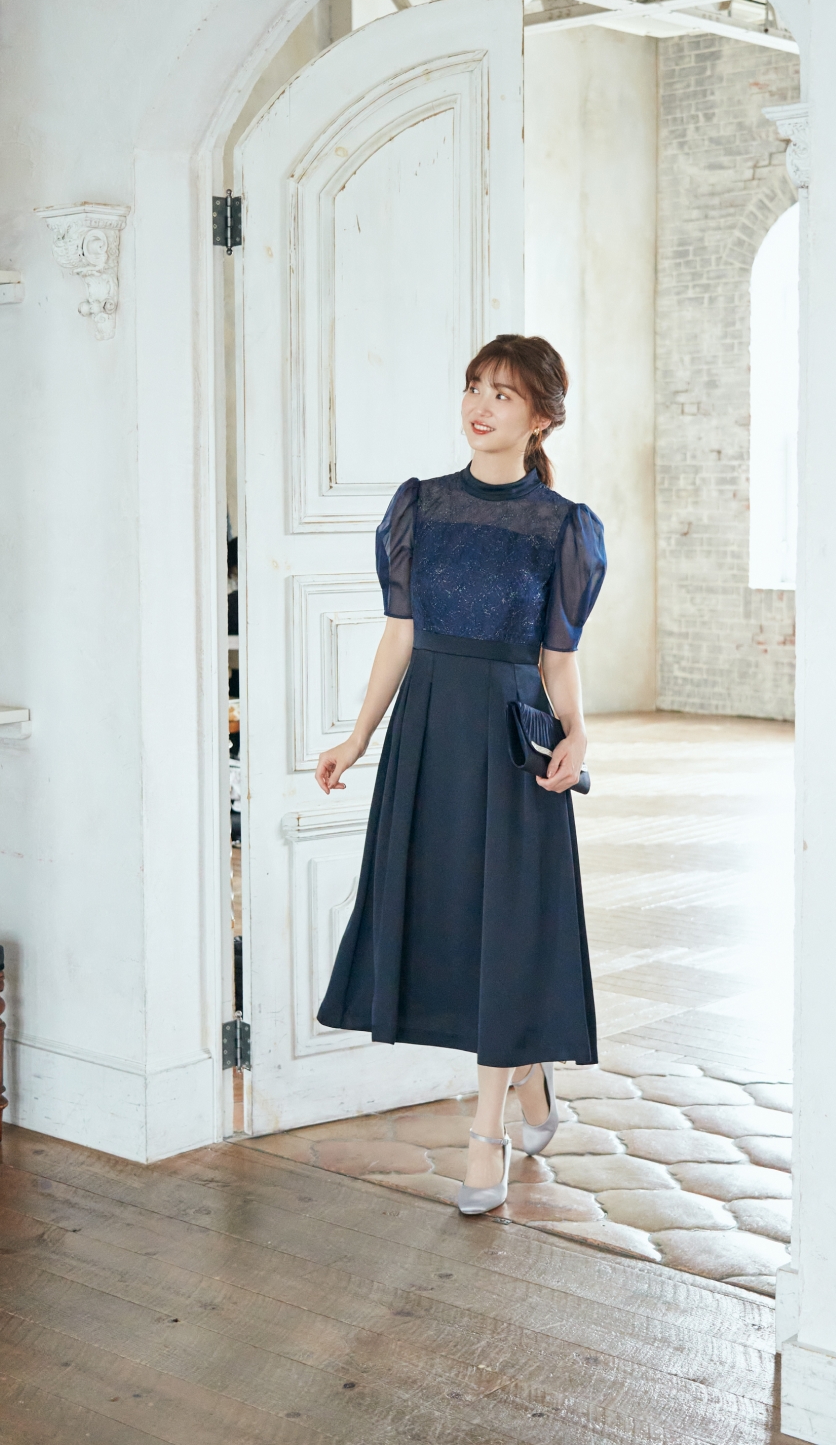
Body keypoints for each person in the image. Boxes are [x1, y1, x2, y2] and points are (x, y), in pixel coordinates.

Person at [315, 334, 606, 1215]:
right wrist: (357, 737)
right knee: (448, 918)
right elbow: (400, 635)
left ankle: (487, 1135)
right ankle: (530, 1074)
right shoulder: (421, 506)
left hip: (513, 741)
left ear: (541, 418)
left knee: (508, 927)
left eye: (503, 395)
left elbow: (558, 658)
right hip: (430, 733)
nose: (481, 405)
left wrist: (578, 732)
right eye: (475, 387)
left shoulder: (563, 526)